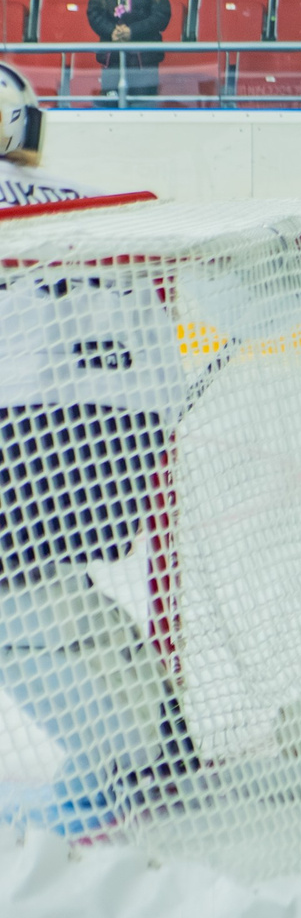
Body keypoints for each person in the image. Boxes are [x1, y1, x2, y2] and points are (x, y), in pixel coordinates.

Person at [0, 65, 205, 837]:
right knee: (50, 586)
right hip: (135, 426)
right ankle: (162, 744)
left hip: (29, 418)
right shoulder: (79, 194)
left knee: (13, 597)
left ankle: (108, 761)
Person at [85, 0, 172, 104]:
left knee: (143, 108)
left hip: (144, 60)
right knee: (109, 106)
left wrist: (132, 31)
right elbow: (94, 12)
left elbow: (161, 16)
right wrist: (112, 31)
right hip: (112, 57)